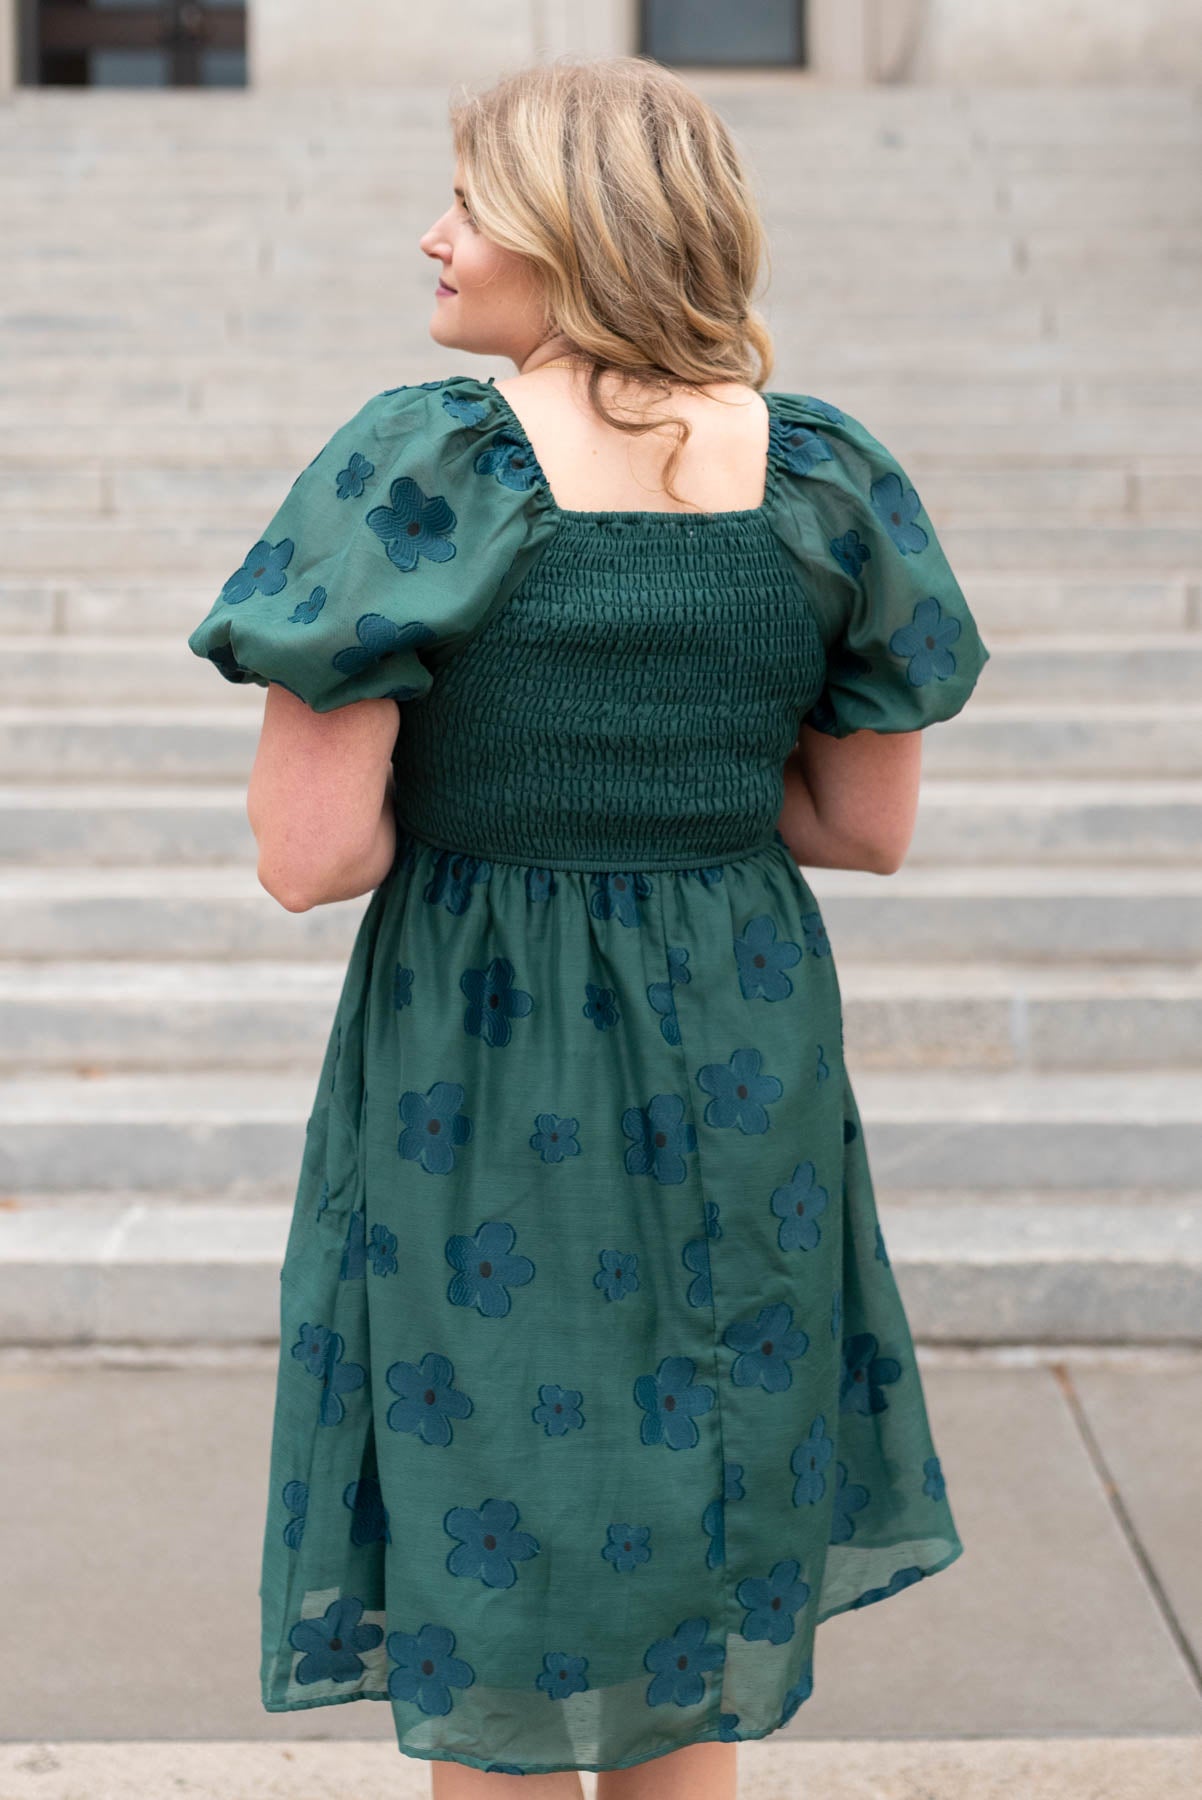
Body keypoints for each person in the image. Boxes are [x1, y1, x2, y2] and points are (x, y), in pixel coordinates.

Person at [186, 52, 990, 1800]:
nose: (434, 237)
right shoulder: (824, 474)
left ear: (570, 228)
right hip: (737, 1025)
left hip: (486, 1044)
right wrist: (669, 794)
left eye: (467, 203)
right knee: (686, 1550)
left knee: (501, 1540)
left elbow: (308, 857)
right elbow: (861, 824)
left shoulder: (427, 470)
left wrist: (494, 796)